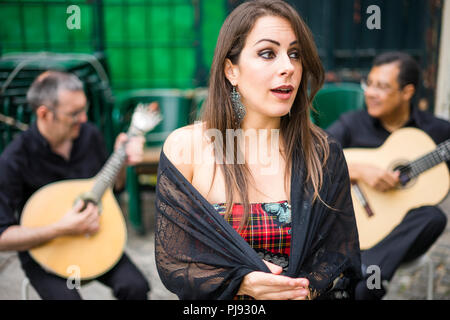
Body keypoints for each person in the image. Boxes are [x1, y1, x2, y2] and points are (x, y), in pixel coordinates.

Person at [155, 0, 361, 300]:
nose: (288, 67)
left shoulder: (322, 152)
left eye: (295, 54)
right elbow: (173, 261)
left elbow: (341, 257)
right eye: (268, 53)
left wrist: (302, 289)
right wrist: (240, 283)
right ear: (231, 70)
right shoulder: (187, 146)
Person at [0, 71, 150, 300]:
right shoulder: (14, 160)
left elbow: (114, 188)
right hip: (44, 249)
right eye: (74, 113)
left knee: (135, 287)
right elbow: (2, 237)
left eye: (84, 109)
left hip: (93, 237)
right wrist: (61, 228)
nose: (83, 119)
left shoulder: (89, 135)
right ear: (44, 114)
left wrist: (121, 160)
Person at [327, 51, 450, 300]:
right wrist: (358, 171)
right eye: (369, 84)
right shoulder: (352, 124)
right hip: (352, 225)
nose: (370, 93)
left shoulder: (436, 131)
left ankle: (366, 273)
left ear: (407, 92)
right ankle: (369, 280)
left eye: (381, 87)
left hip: (399, 234)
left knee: (434, 216)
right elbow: (311, 157)